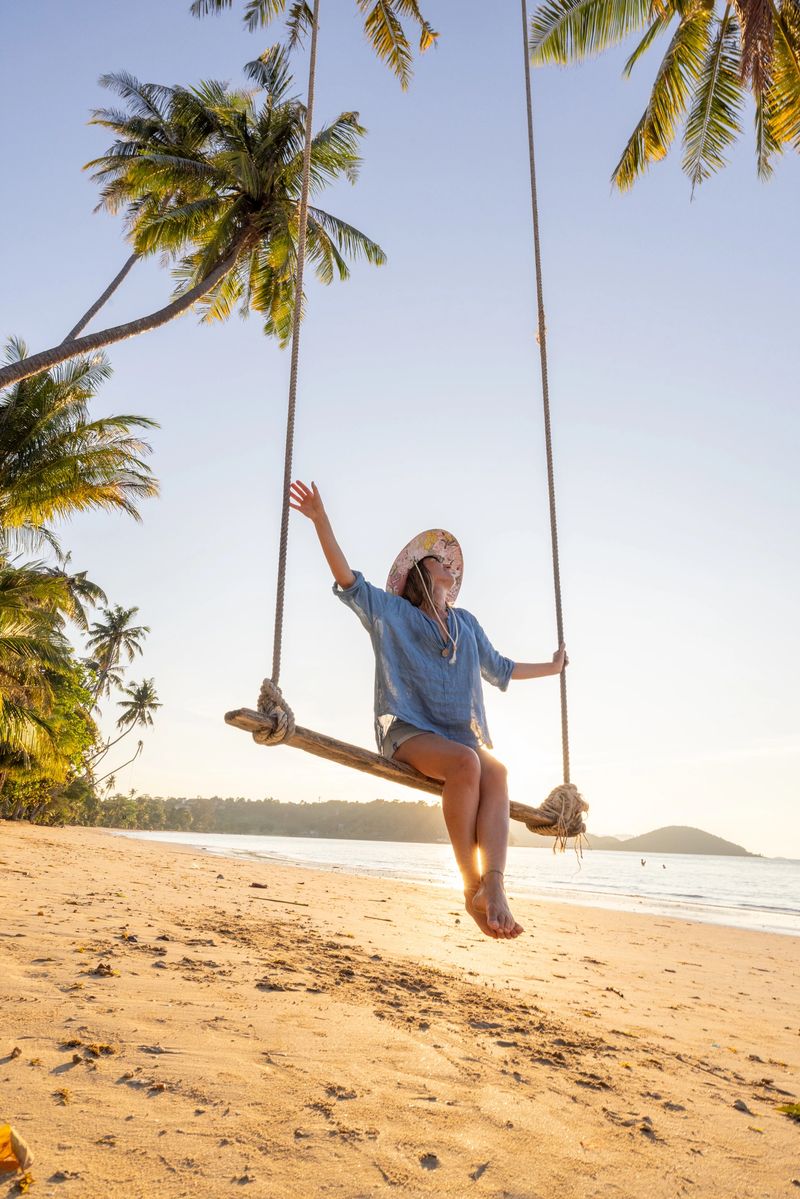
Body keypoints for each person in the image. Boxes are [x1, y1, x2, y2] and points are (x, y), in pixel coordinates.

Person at [289, 479, 568, 941]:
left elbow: (501, 669)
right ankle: (470, 886)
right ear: (420, 574)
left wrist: (553, 668)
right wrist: (321, 521)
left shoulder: (466, 624)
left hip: (459, 736)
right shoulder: (394, 614)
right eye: (441, 562)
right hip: (410, 733)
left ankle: (495, 886)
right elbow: (348, 582)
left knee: (494, 770)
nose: (451, 567)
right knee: (467, 763)